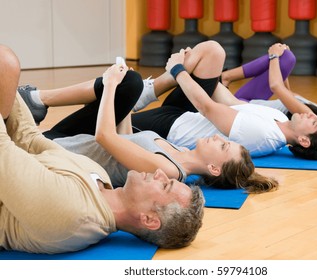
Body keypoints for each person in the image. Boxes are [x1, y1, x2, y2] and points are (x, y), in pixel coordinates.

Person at [0, 44, 204, 254]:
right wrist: (7, 80)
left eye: (164, 186)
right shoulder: (101, 178)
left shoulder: (74, 211)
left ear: (149, 219)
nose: (160, 174)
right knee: (6, 64)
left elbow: (3, 149)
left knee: (6, 61)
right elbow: (30, 138)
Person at [19, 65, 278, 194]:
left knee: (123, 83)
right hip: (74, 139)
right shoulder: (177, 150)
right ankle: (37, 101)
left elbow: (105, 136)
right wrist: (125, 100)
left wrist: (110, 86)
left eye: (223, 145)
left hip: (52, 149)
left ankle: (36, 101)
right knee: (130, 84)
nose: (217, 137)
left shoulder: (169, 170)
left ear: (213, 169)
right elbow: (125, 139)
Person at [130, 41, 317, 162]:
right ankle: (147, 93)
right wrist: (201, 71)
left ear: (304, 141)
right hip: (188, 111)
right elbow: (229, 100)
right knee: (213, 51)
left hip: (172, 126)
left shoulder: (263, 135)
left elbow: (207, 107)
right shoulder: (279, 118)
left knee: (105, 123)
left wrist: (178, 69)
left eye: (314, 122)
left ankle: (141, 94)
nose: (310, 115)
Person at [220, 44, 317, 135]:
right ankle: (225, 77)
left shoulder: (314, 118)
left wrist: (274, 56)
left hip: (240, 106)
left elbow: (276, 87)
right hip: (249, 102)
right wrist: (282, 68)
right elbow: (289, 94)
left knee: (286, 57)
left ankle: (225, 77)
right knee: (287, 58)